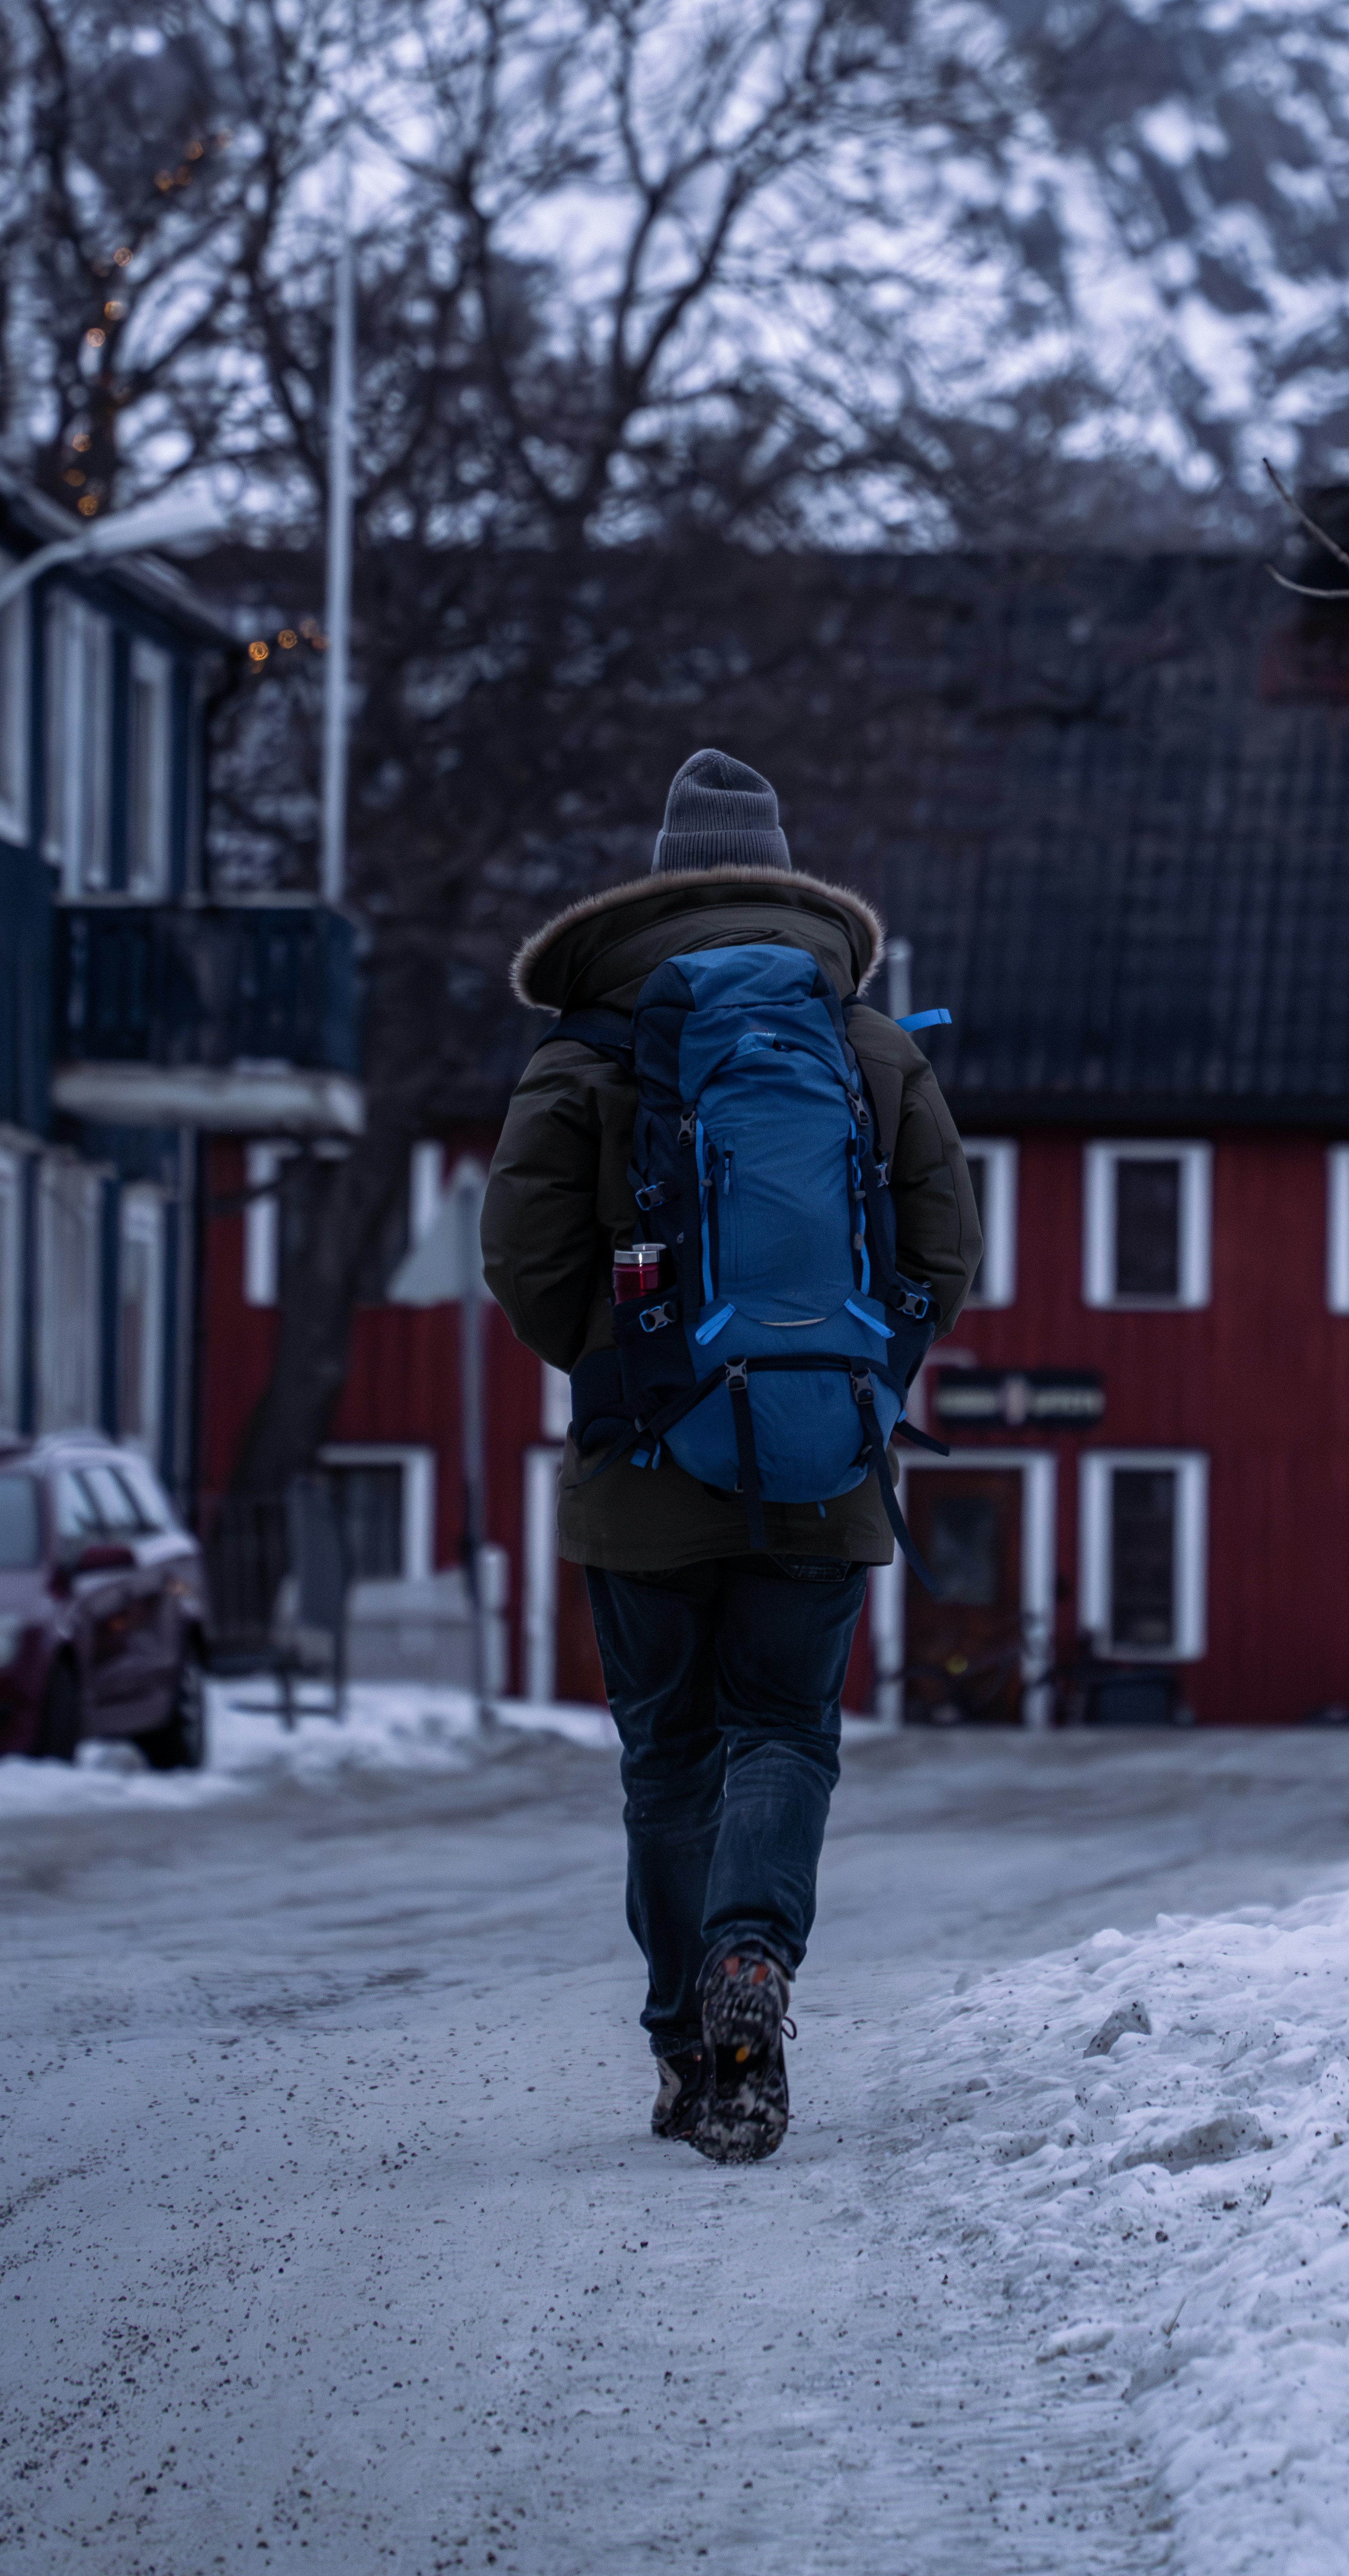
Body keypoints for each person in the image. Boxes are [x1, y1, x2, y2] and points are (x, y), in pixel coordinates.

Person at [481, 747, 980, 2162]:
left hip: (642, 1464)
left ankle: (686, 2049)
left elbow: (521, 1258)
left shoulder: (586, 1053)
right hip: (820, 1462)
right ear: (783, 877)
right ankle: (754, 1959)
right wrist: (848, 1377)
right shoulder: (869, 1046)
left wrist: (635, 1365)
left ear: (660, 879)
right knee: (784, 1732)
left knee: (668, 1757)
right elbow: (947, 1253)